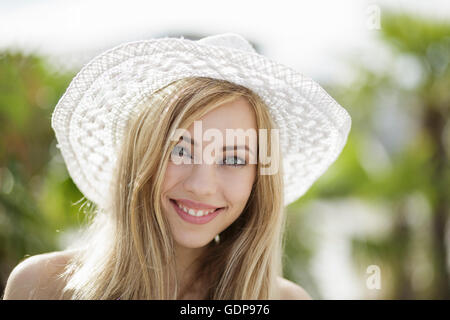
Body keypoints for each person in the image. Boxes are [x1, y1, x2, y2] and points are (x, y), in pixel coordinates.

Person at [3, 33, 351, 300]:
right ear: (142, 156)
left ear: (259, 179)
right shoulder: (40, 286)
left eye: (233, 159)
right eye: (180, 151)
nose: (201, 185)